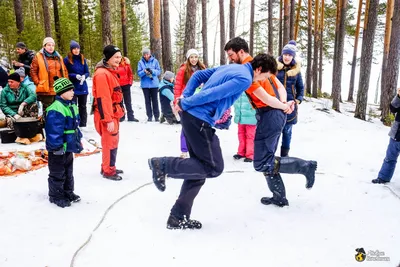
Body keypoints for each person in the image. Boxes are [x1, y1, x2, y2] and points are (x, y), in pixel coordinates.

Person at [148, 53, 277, 230]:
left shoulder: (232, 67)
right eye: (265, 76)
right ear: (260, 69)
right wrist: (185, 102)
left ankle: (178, 217)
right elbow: (213, 93)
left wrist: (184, 97)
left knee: (199, 171)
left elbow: (198, 75)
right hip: (198, 119)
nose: (263, 80)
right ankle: (163, 165)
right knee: (214, 167)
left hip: (193, 117)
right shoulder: (245, 78)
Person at [224, 37, 317, 208]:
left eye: (231, 55)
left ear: (241, 52)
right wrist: (283, 105)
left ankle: (305, 167)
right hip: (273, 112)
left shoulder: (251, 71)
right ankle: (279, 196)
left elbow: (265, 97)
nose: (230, 59)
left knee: (261, 162)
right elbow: (280, 87)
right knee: (265, 160)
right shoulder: (261, 64)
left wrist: (281, 106)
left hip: (270, 114)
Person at [45, 77, 83, 208]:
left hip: (69, 146)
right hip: (58, 148)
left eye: (73, 89)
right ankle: (56, 195)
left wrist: (78, 140)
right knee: (57, 173)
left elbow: (75, 127)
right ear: (61, 92)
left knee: (68, 171)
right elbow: (53, 130)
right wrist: (56, 147)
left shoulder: (71, 105)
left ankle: (68, 192)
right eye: (70, 90)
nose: (73, 92)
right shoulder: (56, 108)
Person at [92, 45, 125, 181]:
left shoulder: (110, 72)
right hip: (107, 114)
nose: (119, 59)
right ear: (109, 58)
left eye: (120, 57)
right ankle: (108, 170)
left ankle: (109, 166)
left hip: (113, 112)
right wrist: (108, 119)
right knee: (109, 142)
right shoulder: (102, 74)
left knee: (113, 141)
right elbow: (103, 98)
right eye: (116, 57)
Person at [174, 49, 206, 158]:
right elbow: (177, 87)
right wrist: (177, 101)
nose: (194, 59)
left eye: (195, 57)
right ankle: (184, 150)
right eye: (191, 57)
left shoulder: (203, 69)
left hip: (199, 102)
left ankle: (197, 149)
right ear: (188, 58)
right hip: (186, 102)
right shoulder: (183, 70)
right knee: (186, 126)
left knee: (198, 126)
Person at [276, 40, 304, 157]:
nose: (287, 57)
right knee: (275, 131)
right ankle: (270, 154)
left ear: (292, 56)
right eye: (285, 54)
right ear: (282, 54)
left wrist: (298, 99)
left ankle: (284, 155)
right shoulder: (275, 68)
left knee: (287, 131)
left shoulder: (296, 71)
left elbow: (301, 87)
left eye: (289, 55)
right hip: (276, 104)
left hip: (291, 106)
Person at [30, 37, 68, 111]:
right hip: (45, 90)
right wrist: (38, 83)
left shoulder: (59, 57)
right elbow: (33, 71)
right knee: (48, 111)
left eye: (52, 45)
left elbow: (64, 71)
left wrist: (66, 83)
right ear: (44, 46)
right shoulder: (38, 56)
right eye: (48, 45)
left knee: (59, 110)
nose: (51, 47)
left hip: (58, 88)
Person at [373, 87, 400, 185]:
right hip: (396, 134)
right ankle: (383, 178)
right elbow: (393, 108)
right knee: (390, 158)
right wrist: (398, 96)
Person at [64, 40, 90, 127]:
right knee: (73, 106)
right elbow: (65, 73)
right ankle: (74, 123)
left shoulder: (83, 59)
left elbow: (87, 72)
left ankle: (83, 124)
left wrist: (84, 76)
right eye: (74, 48)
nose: (76, 50)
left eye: (78, 48)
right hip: (72, 87)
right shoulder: (67, 60)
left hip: (83, 86)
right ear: (71, 50)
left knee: (83, 106)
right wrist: (75, 76)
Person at [137, 48, 161, 122]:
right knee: (147, 101)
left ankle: (157, 116)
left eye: (147, 54)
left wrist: (152, 71)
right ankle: (149, 116)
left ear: (150, 54)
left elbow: (159, 71)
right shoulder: (140, 62)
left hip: (154, 84)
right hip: (145, 85)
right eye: (144, 54)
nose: (146, 56)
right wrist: (144, 72)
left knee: (155, 100)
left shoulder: (155, 61)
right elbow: (139, 73)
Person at [232, 92, 257, 162]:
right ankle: (241, 152)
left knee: (250, 136)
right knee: (241, 134)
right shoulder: (238, 87)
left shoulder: (252, 85)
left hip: (251, 117)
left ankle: (250, 154)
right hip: (240, 116)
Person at [117, 56, 138, 122]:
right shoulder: (114, 65)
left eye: (119, 57)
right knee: (120, 101)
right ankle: (121, 116)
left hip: (126, 85)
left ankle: (130, 116)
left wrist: (130, 83)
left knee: (128, 101)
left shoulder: (126, 64)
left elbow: (130, 74)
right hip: (118, 85)